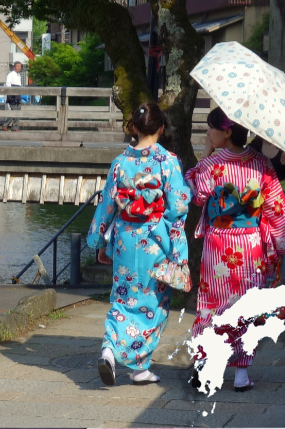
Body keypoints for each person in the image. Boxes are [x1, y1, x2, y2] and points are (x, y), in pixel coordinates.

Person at [185, 108, 285, 392]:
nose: (208, 133)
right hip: (250, 245)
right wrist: (283, 240)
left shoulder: (212, 164)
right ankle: (240, 374)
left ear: (226, 132)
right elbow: (275, 205)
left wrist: (207, 152)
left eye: (211, 128)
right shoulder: (260, 163)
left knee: (212, 305)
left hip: (219, 244)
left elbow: (198, 196)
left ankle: (205, 367)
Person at [87, 102, 192, 386]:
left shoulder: (120, 163)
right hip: (154, 241)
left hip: (124, 240)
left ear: (133, 128)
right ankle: (139, 365)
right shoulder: (168, 162)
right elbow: (178, 207)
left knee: (123, 297)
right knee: (153, 302)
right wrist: (178, 249)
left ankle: (112, 351)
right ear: (161, 128)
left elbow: (107, 205)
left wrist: (98, 240)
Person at [3, 62, 23, 131]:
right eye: (17, 66)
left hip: (18, 93)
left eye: (20, 66)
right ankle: (5, 124)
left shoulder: (19, 75)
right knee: (14, 111)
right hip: (12, 94)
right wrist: (12, 92)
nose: (19, 68)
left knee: (18, 111)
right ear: (14, 67)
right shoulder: (11, 74)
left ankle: (15, 126)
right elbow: (8, 84)